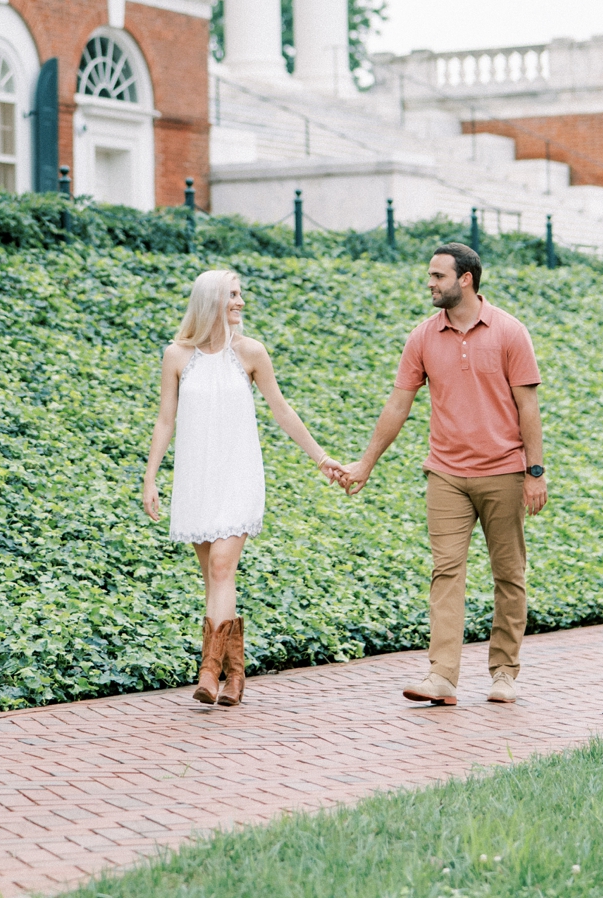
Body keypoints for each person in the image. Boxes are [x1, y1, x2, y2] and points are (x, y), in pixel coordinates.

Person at [330, 243, 547, 705]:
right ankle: (442, 677)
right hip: (446, 474)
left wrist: (534, 472)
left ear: (465, 279)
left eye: (437, 276)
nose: (429, 283)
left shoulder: (510, 333)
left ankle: (504, 673)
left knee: (508, 574)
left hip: (504, 471)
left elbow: (528, 407)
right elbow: (398, 406)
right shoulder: (422, 338)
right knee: (446, 571)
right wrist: (364, 464)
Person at [143, 268, 336, 707]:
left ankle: (208, 673)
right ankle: (235, 677)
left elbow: (282, 411)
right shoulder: (177, 355)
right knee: (214, 581)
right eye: (232, 294)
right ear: (209, 300)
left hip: (238, 475)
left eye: (240, 294)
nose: (240, 302)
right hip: (196, 479)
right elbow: (165, 420)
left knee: (222, 569)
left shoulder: (251, 353)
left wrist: (321, 459)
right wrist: (150, 477)